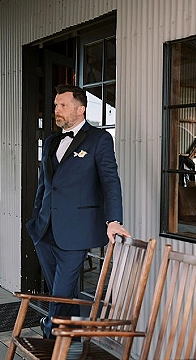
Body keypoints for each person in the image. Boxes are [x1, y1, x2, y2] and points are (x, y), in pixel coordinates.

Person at [26, 84, 131, 341]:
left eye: (63, 105)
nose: (57, 110)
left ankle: (51, 345)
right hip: (44, 230)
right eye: (55, 106)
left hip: (76, 231)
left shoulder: (99, 139)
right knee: (62, 292)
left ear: (80, 108)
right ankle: (70, 346)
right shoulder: (51, 141)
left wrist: (113, 220)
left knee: (60, 294)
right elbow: (44, 185)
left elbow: (110, 182)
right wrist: (36, 216)